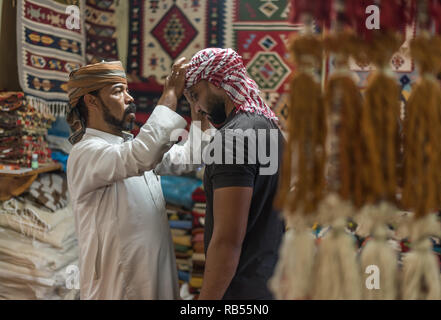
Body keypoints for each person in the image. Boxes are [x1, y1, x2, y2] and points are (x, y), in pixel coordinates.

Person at [66, 59, 209, 299]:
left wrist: (199, 110)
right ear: (91, 101)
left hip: (155, 277)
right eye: (118, 91)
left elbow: (190, 156)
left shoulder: (126, 147)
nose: (129, 98)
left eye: (127, 90)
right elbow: (143, 154)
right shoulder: (86, 152)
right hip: (119, 286)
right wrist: (171, 93)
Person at [184, 48, 286, 300]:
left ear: (215, 82)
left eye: (196, 95)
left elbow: (227, 241)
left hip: (239, 291)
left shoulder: (232, 140)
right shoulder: (269, 127)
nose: (197, 106)